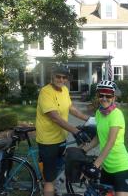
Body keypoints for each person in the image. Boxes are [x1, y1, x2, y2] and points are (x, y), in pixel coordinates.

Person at [35, 64, 92, 196]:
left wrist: (89, 119)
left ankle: (49, 183)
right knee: (49, 179)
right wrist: (75, 131)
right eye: (58, 77)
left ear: (67, 79)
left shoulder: (65, 90)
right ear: (52, 77)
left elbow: (70, 108)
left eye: (64, 77)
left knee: (57, 167)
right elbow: (55, 117)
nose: (61, 79)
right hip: (48, 141)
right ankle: (48, 187)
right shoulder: (46, 92)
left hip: (60, 138)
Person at [82, 80, 128, 196]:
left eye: (108, 95)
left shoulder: (116, 114)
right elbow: (98, 138)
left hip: (121, 167)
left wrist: (96, 164)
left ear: (114, 97)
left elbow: (110, 142)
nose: (104, 98)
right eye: (101, 95)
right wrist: (83, 150)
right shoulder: (99, 113)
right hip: (106, 167)